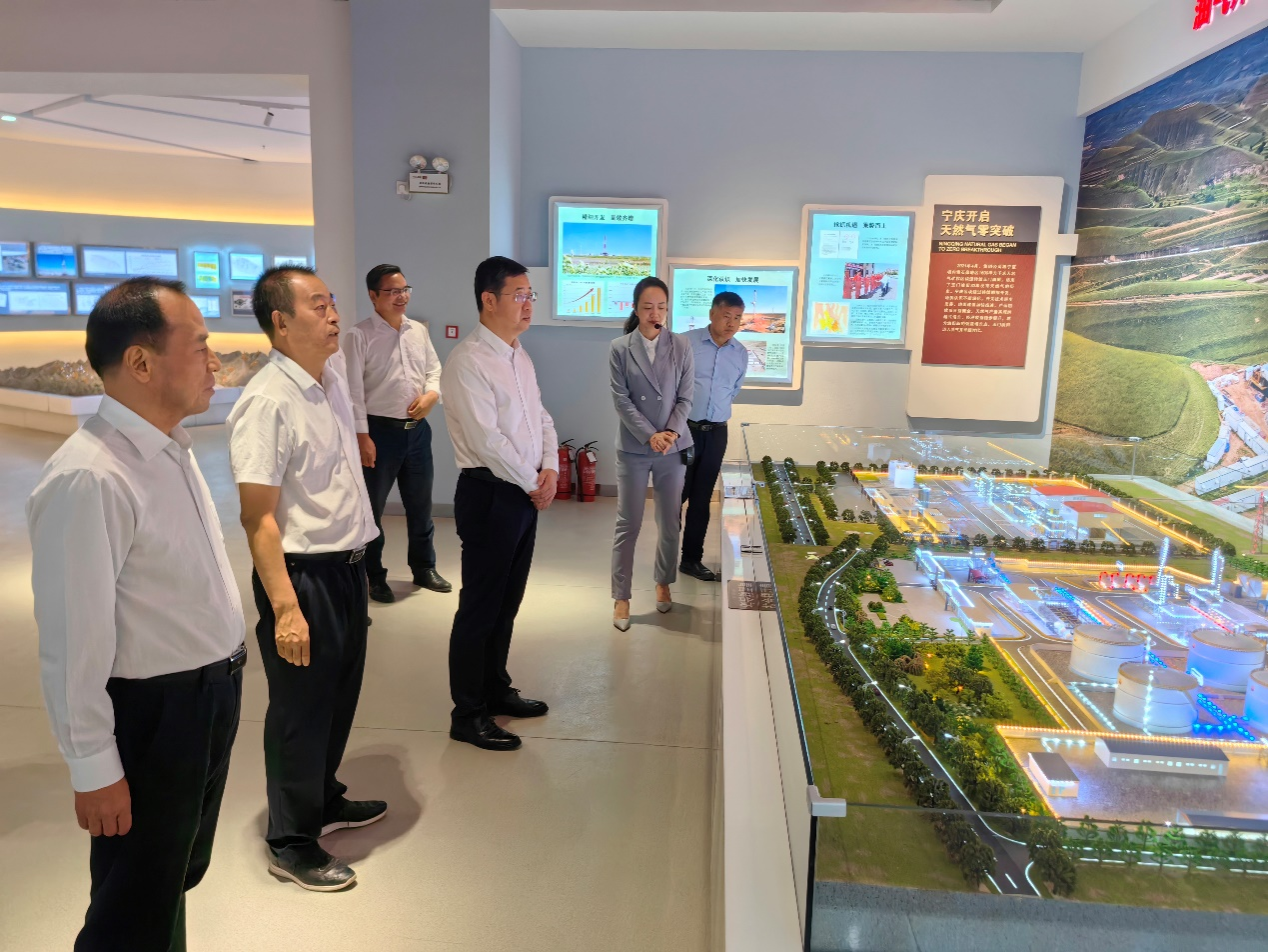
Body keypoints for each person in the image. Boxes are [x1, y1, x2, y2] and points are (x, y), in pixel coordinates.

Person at [28, 278, 246, 951]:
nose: (215, 362)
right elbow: (73, 641)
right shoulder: (91, 476)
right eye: (200, 347)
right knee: (131, 912)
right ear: (141, 363)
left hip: (205, 698)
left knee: (168, 879)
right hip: (155, 716)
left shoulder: (169, 448)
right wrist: (94, 767)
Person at [228, 266, 385, 892]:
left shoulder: (330, 380)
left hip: (345, 568)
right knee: (300, 711)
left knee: (339, 697)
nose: (333, 314)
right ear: (280, 322)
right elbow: (258, 517)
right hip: (301, 578)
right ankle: (290, 841)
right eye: (317, 306)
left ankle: (322, 798)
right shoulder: (267, 401)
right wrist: (286, 609)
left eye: (332, 302)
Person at [441, 256, 557, 752]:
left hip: (522, 493)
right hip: (490, 494)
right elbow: (488, 442)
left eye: (531, 295)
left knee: (507, 603)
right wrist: (535, 482)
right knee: (480, 607)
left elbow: (540, 417)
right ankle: (467, 713)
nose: (529, 304)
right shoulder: (468, 361)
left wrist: (551, 468)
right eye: (520, 295)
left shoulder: (518, 355)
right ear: (489, 300)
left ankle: (494, 688)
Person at [344, 263, 451, 604]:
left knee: (420, 505)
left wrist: (432, 395)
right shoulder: (358, 335)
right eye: (392, 291)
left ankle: (424, 567)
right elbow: (352, 391)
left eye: (405, 289)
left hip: (417, 432)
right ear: (373, 296)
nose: (401, 296)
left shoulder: (417, 330)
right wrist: (362, 436)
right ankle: (374, 576)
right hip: (378, 433)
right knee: (372, 511)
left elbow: (434, 369)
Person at [609, 276, 695, 631]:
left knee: (670, 521)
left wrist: (669, 433)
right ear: (635, 308)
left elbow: (685, 397)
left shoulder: (681, 345)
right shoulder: (619, 347)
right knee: (628, 523)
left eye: (661, 307)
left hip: (672, 447)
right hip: (634, 447)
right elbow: (621, 400)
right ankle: (621, 596)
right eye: (647, 307)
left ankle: (663, 581)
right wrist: (650, 435)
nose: (655, 313)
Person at [679, 291, 749, 582]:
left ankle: (691, 560)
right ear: (712, 314)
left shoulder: (740, 353)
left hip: (717, 432)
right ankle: (665, 555)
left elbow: (733, 390)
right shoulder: (686, 343)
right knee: (675, 496)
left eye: (737, 318)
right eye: (726, 316)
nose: (731, 323)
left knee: (702, 499)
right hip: (684, 430)